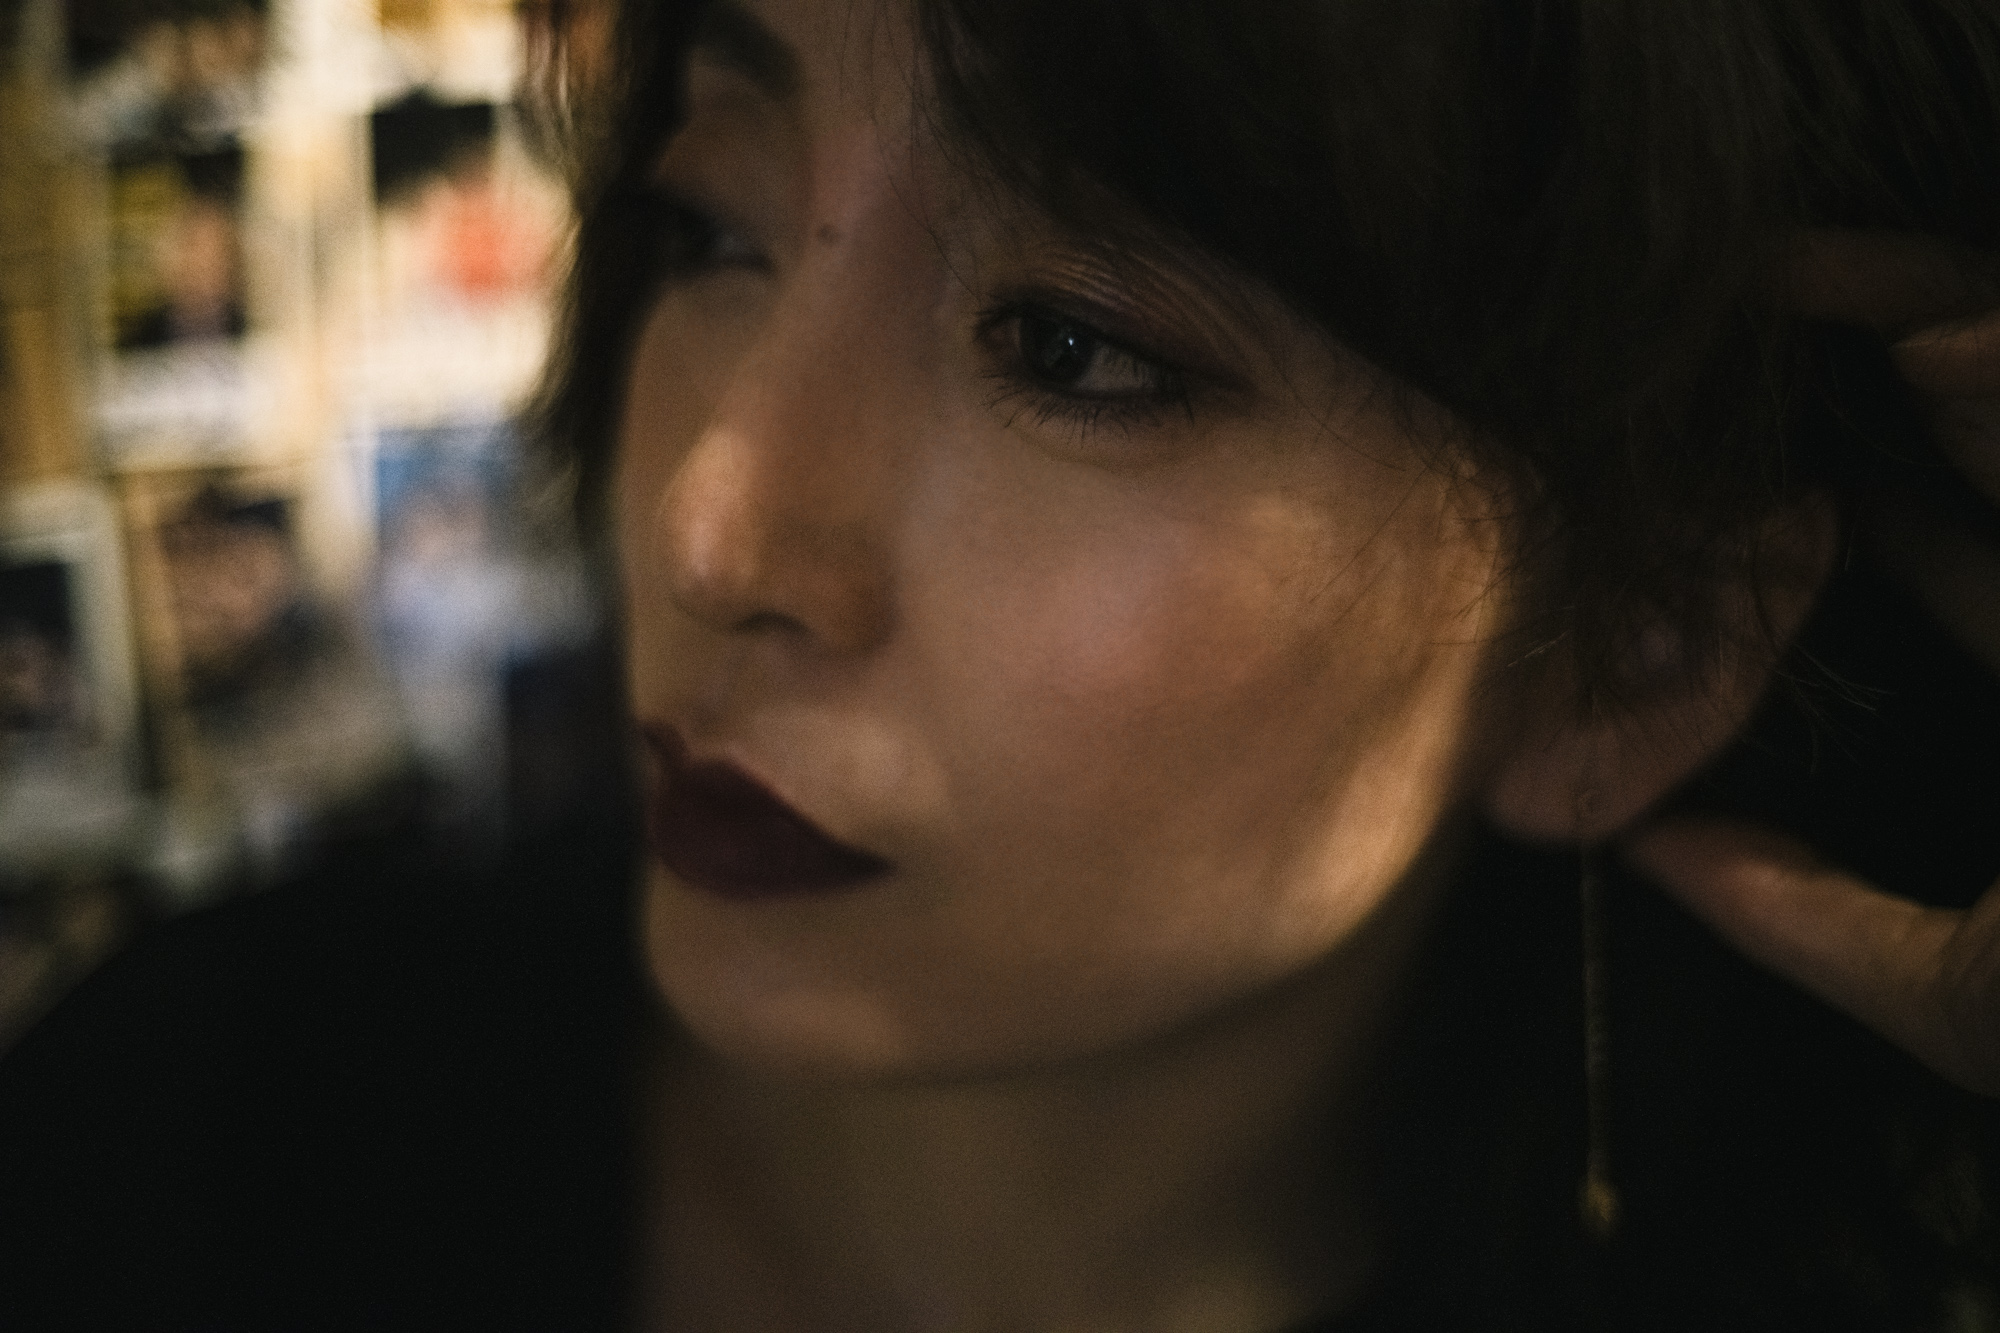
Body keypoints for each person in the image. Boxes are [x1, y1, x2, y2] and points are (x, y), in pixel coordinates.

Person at [4, 0, 2000, 1328]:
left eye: (1070, 345)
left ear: (1636, 653)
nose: (708, 526)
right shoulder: (188, 1137)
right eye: (710, 226)